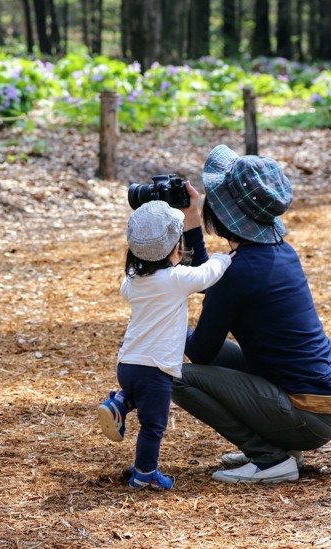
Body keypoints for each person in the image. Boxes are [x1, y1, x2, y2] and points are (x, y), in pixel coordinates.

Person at [170, 144, 331, 484]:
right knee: (205, 358)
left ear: (224, 213)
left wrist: (160, 316)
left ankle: (269, 458)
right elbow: (214, 283)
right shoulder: (279, 252)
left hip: (308, 416)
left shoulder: (239, 272)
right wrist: (192, 221)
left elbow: (200, 351)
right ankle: (279, 445)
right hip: (324, 405)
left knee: (174, 375)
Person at [96, 193, 232, 491]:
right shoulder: (176, 279)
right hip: (156, 368)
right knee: (153, 426)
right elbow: (207, 274)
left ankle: (119, 402)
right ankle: (145, 473)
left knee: (139, 396)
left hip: (129, 363)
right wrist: (225, 258)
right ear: (175, 248)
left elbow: (127, 285)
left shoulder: (132, 280)